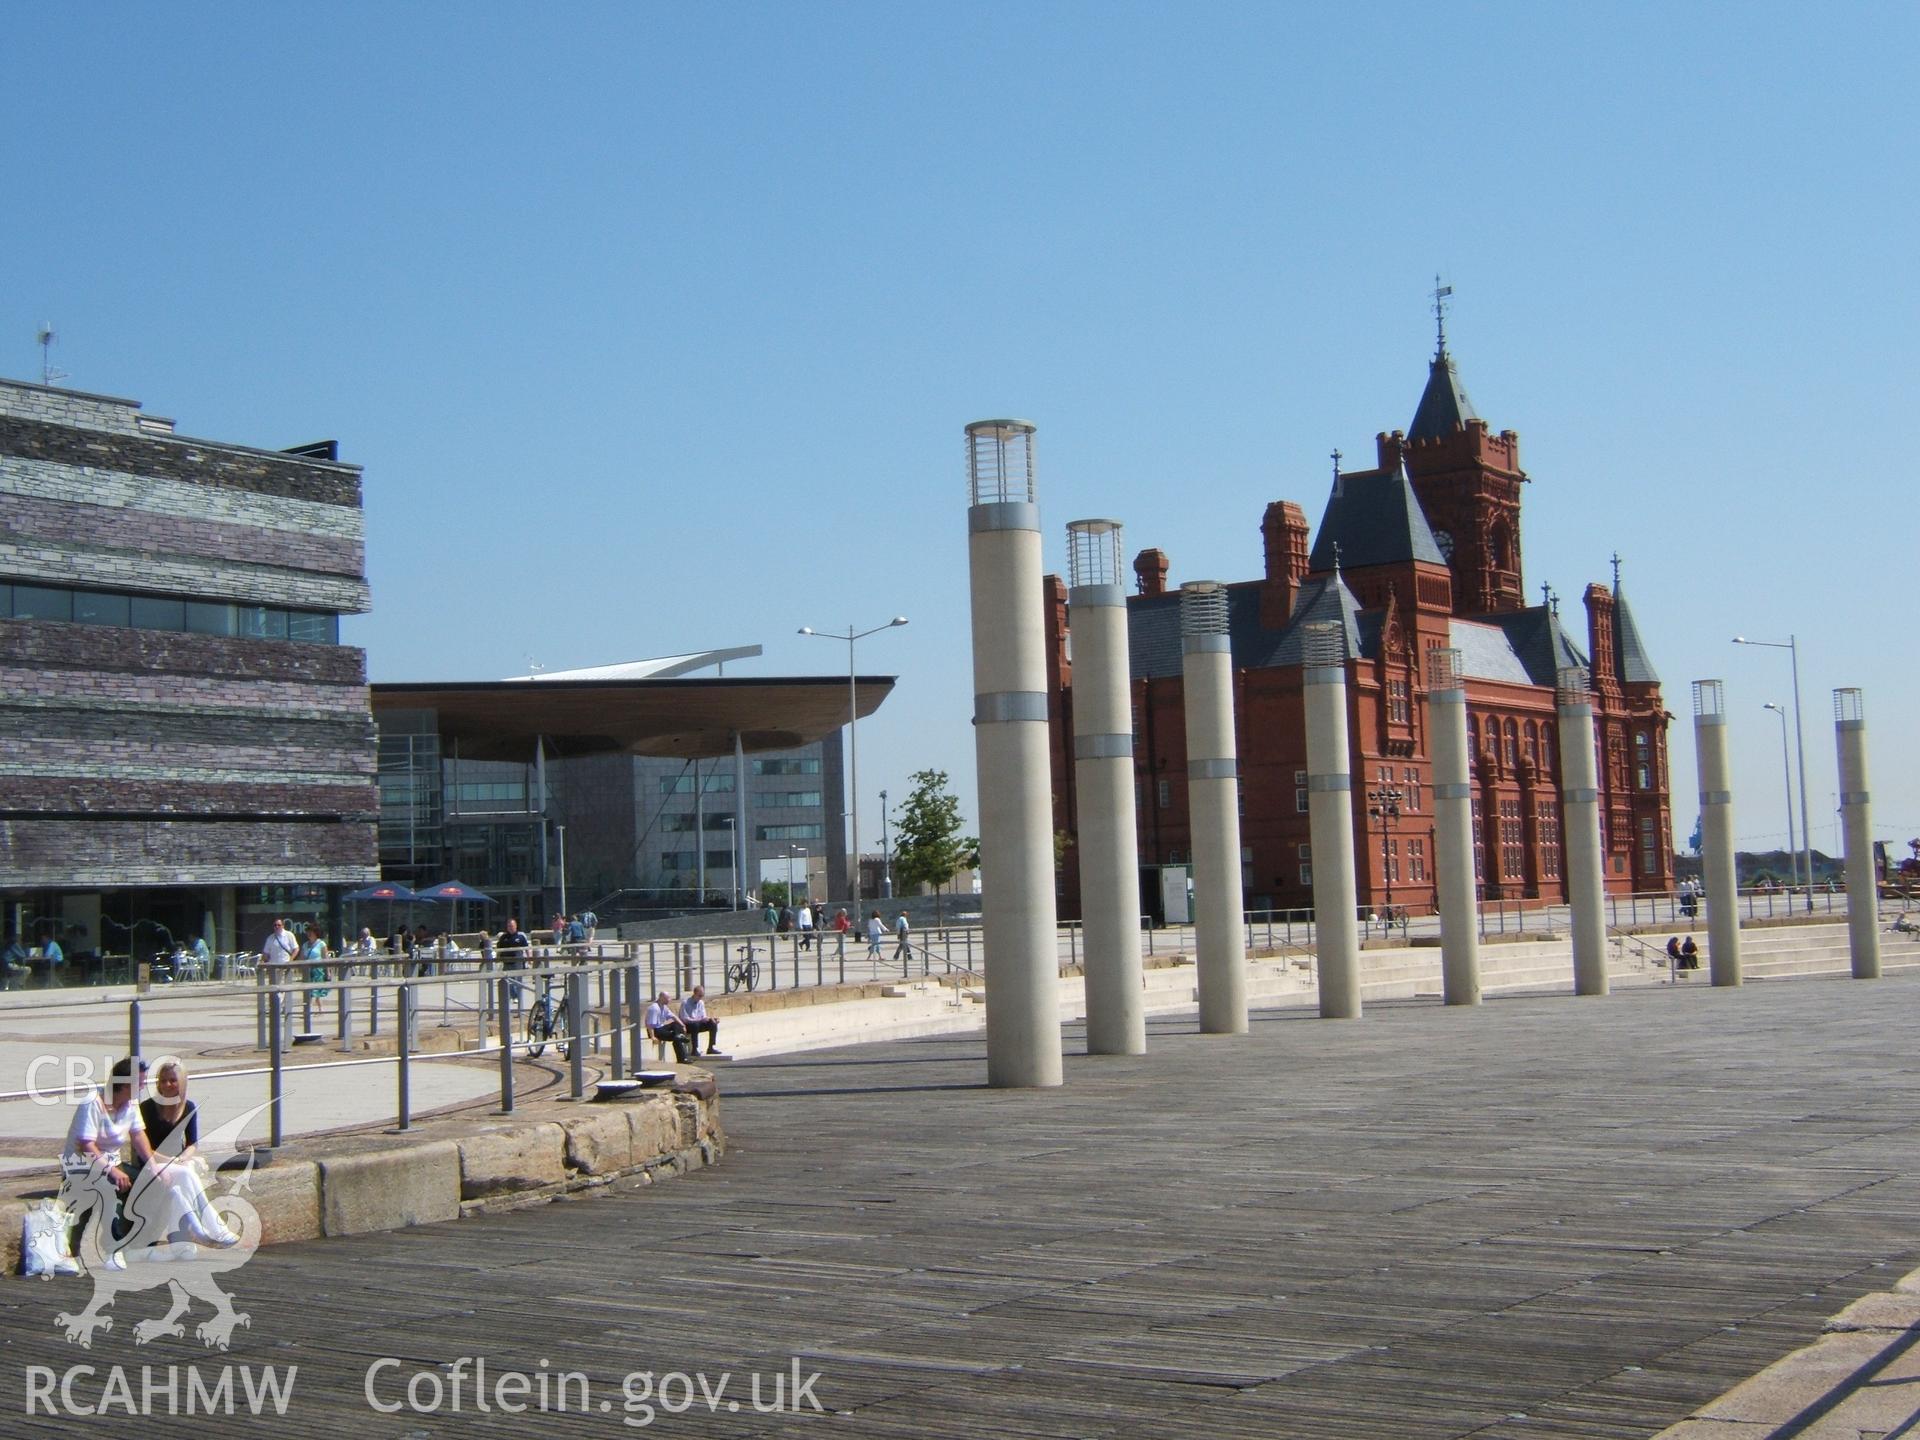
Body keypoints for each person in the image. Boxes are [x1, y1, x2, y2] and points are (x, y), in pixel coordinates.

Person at [136, 1060, 238, 1246]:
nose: (167, 1085)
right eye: (163, 1080)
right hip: (151, 1163)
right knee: (185, 1173)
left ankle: (183, 1233)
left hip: (176, 1163)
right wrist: (173, 1161)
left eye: (172, 1080)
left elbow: (192, 1143)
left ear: (182, 1082)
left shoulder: (188, 1107)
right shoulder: (147, 1108)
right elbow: (144, 1148)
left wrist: (183, 1157)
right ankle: (214, 1230)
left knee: (180, 1184)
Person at [644, 991, 695, 1064]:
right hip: (654, 1031)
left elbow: (673, 1016)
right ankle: (682, 1058)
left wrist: (683, 1026)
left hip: (661, 1027)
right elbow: (650, 1025)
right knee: (676, 1038)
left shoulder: (664, 1007)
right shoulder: (654, 1008)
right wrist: (652, 1037)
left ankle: (680, 1036)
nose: (669, 1000)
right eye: (667, 998)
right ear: (661, 998)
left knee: (675, 1024)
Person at [679, 985, 721, 1055]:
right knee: (695, 1025)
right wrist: (698, 1020)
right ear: (694, 994)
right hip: (688, 1025)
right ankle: (694, 1049)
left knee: (712, 1024)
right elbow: (684, 1019)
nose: (701, 997)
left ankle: (711, 1047)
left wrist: (711, 1019)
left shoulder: (701, 1003)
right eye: (699, 995)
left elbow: (703, 1016)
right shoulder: (685, 1003)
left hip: (698, 1023)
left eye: (702, 995)